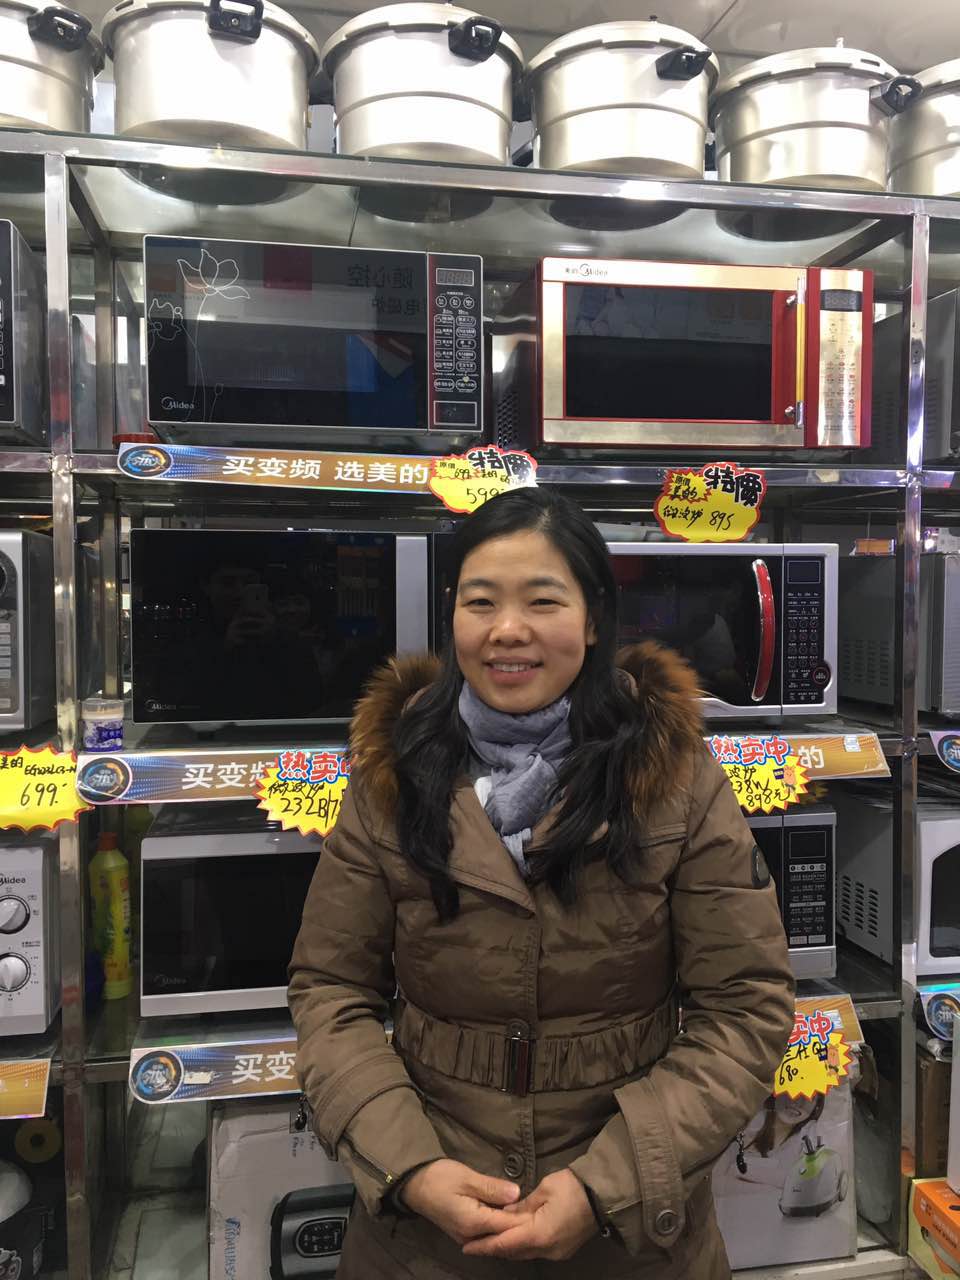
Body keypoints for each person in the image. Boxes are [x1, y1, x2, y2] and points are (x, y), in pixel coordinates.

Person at [288, 487, 795, 1278]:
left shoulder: (675, 776)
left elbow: (745, 1006)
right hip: (424, 1240)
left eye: (543, 600)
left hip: (630, 1238)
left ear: (592, 619)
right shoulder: (394, 770)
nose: (508, 630)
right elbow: (330, 989)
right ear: (453, 614)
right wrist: (409, 1167)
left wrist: (609, 1186)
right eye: (481, 601)